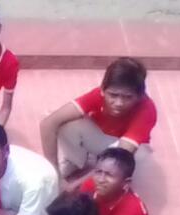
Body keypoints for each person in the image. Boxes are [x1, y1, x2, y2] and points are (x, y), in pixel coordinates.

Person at [39, 57, 156, 187]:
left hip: (127, 150)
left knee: (121, 168)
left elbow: (118, 158)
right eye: (113, 95)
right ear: (102, 90)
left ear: (140, 96)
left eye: (128, 97)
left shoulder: (147, 110)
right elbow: (47, 124)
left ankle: (106, 173)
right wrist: (55, 174)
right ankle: (76, 162)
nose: (119, 103)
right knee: (65, 125)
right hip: (103, 139)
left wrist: (75, 186)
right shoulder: (97, 94)